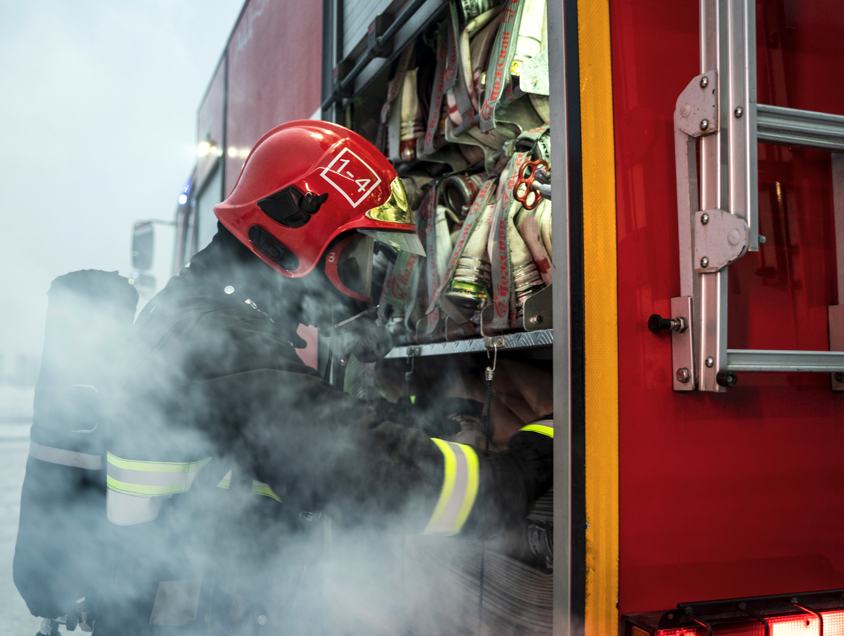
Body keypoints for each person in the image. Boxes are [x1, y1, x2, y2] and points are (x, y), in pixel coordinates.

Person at [99, 120, 553, 634]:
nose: (368, 290)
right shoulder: (221, 340)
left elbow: (280, 433)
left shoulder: (206, 313)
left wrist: (402, 418)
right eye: (362, 263)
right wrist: (523, 470)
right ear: (296, 231)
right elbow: (362, 471)